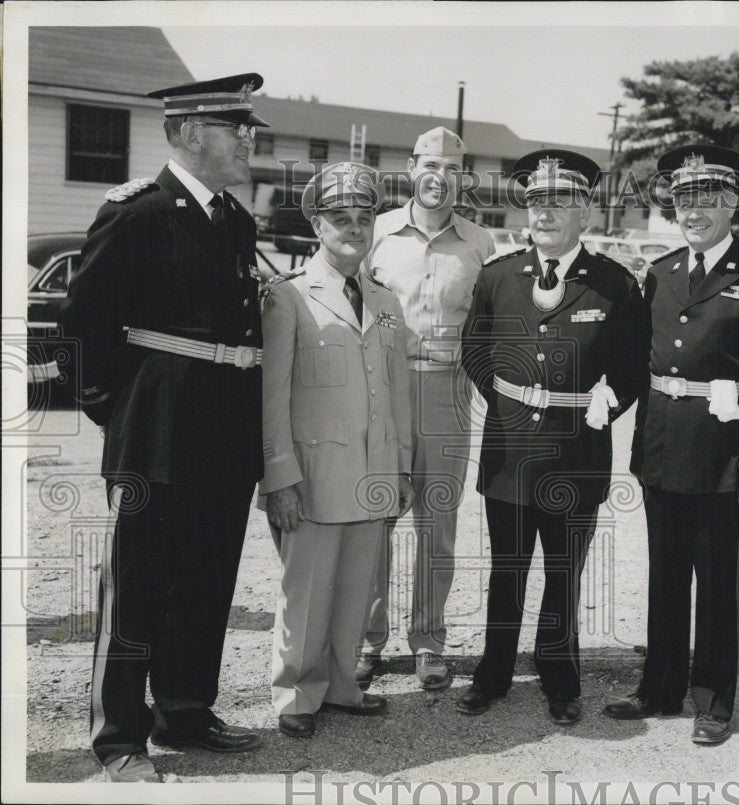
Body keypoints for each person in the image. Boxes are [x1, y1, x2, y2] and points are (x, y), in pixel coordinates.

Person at [60, 74, 270, 782]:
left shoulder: (235, 221)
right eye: (233, 127)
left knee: (207, 574)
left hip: (224, 426)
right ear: (184, 133)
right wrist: (114, 410)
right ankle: (119, 736)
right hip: (156, 428)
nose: (249, 138)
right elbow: (80, 325)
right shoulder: (139, 213)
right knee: (138, 582)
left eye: (249, 127)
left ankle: (186, 709)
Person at [602, 145, 739, 745]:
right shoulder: (658, 273)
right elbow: (639, 361)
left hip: (725, 455)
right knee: (664, 575)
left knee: (718, 582)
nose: (695, 211)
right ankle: (658, 688)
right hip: (663, 446)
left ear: (732, 203)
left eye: (709, 199)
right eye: (684, 199)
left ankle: (713, 700)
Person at [457, 149, 647, 725]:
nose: (545, 212)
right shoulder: (497, 277)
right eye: (537, 200)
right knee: (507, 570)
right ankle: (492, 672)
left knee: (564, 573)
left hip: (577, 454)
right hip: (509, 453)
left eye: (561, 202)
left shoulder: (615, 283)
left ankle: (560, 677)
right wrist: (512, 404)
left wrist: (605, 402)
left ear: (584, 212)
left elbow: (634, 366)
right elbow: (474, 350)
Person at [260, 163, 415, 738]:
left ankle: (344, 685)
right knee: (306, 592)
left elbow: (396, 393)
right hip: (314, 474)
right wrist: (279, 476)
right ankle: (297, 695)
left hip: (373, 470)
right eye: (340, 218)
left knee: (356, 587)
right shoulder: (289, 297)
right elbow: (271, 397)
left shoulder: (386, 301)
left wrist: (400, 469)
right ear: (316, 226)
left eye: (364, 216)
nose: (354, 227)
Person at [359, 127, 495, 691]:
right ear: (411, 168)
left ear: (463, 176)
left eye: (452, 166)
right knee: (376, 518)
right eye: (429, 164)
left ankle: (428, 642)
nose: (439, 175)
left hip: (448, 393)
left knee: (437, 522)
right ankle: (366, 642)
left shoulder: (482, 244)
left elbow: (487, 323)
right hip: (385, 391)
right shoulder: (378, 233)